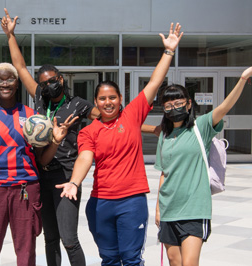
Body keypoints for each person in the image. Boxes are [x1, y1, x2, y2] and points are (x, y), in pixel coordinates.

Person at [1, 9, 161, 266]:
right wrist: (10, 35)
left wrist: (149, 128)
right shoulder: (39, 98)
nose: (47, 86)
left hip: (66, 174)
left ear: (61, 79)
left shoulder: (79, 105)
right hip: (42, 173)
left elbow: (113, 117)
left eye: (52, 81)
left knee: (68, 238)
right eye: (44, 83)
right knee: (50, 237)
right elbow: (20, 67)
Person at [59, 23, 183, 266]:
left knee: (131, 259)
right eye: (103, 98)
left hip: (131, 201)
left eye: (112, 98)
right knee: (110, 259)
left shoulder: (132, 114)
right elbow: (85, 157)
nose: (108, 102)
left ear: (120, 99)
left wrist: (168, 51)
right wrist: (74, 182)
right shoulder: (89, 131)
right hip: (101, 203)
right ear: (96, 101)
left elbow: (154, 83)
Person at [0, 62, 76, 266]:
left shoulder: (32, 116)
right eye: (0, 80)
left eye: (10, 79)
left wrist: (56, 141)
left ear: (17, 84)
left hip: (26, 187)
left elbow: (42, 160)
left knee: (26, 248)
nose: (5, 83)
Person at [155, 54, 252, 266]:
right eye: (168, 104)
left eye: (178, 102)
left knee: (189, 263)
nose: (173, 108)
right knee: (175, 262)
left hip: (195, 208)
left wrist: (242, 79)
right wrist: (157, 208)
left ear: (188, 103)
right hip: (169, 208)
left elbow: (224, 107)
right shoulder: (164, 136)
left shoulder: (200, 127)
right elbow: (165, 173)